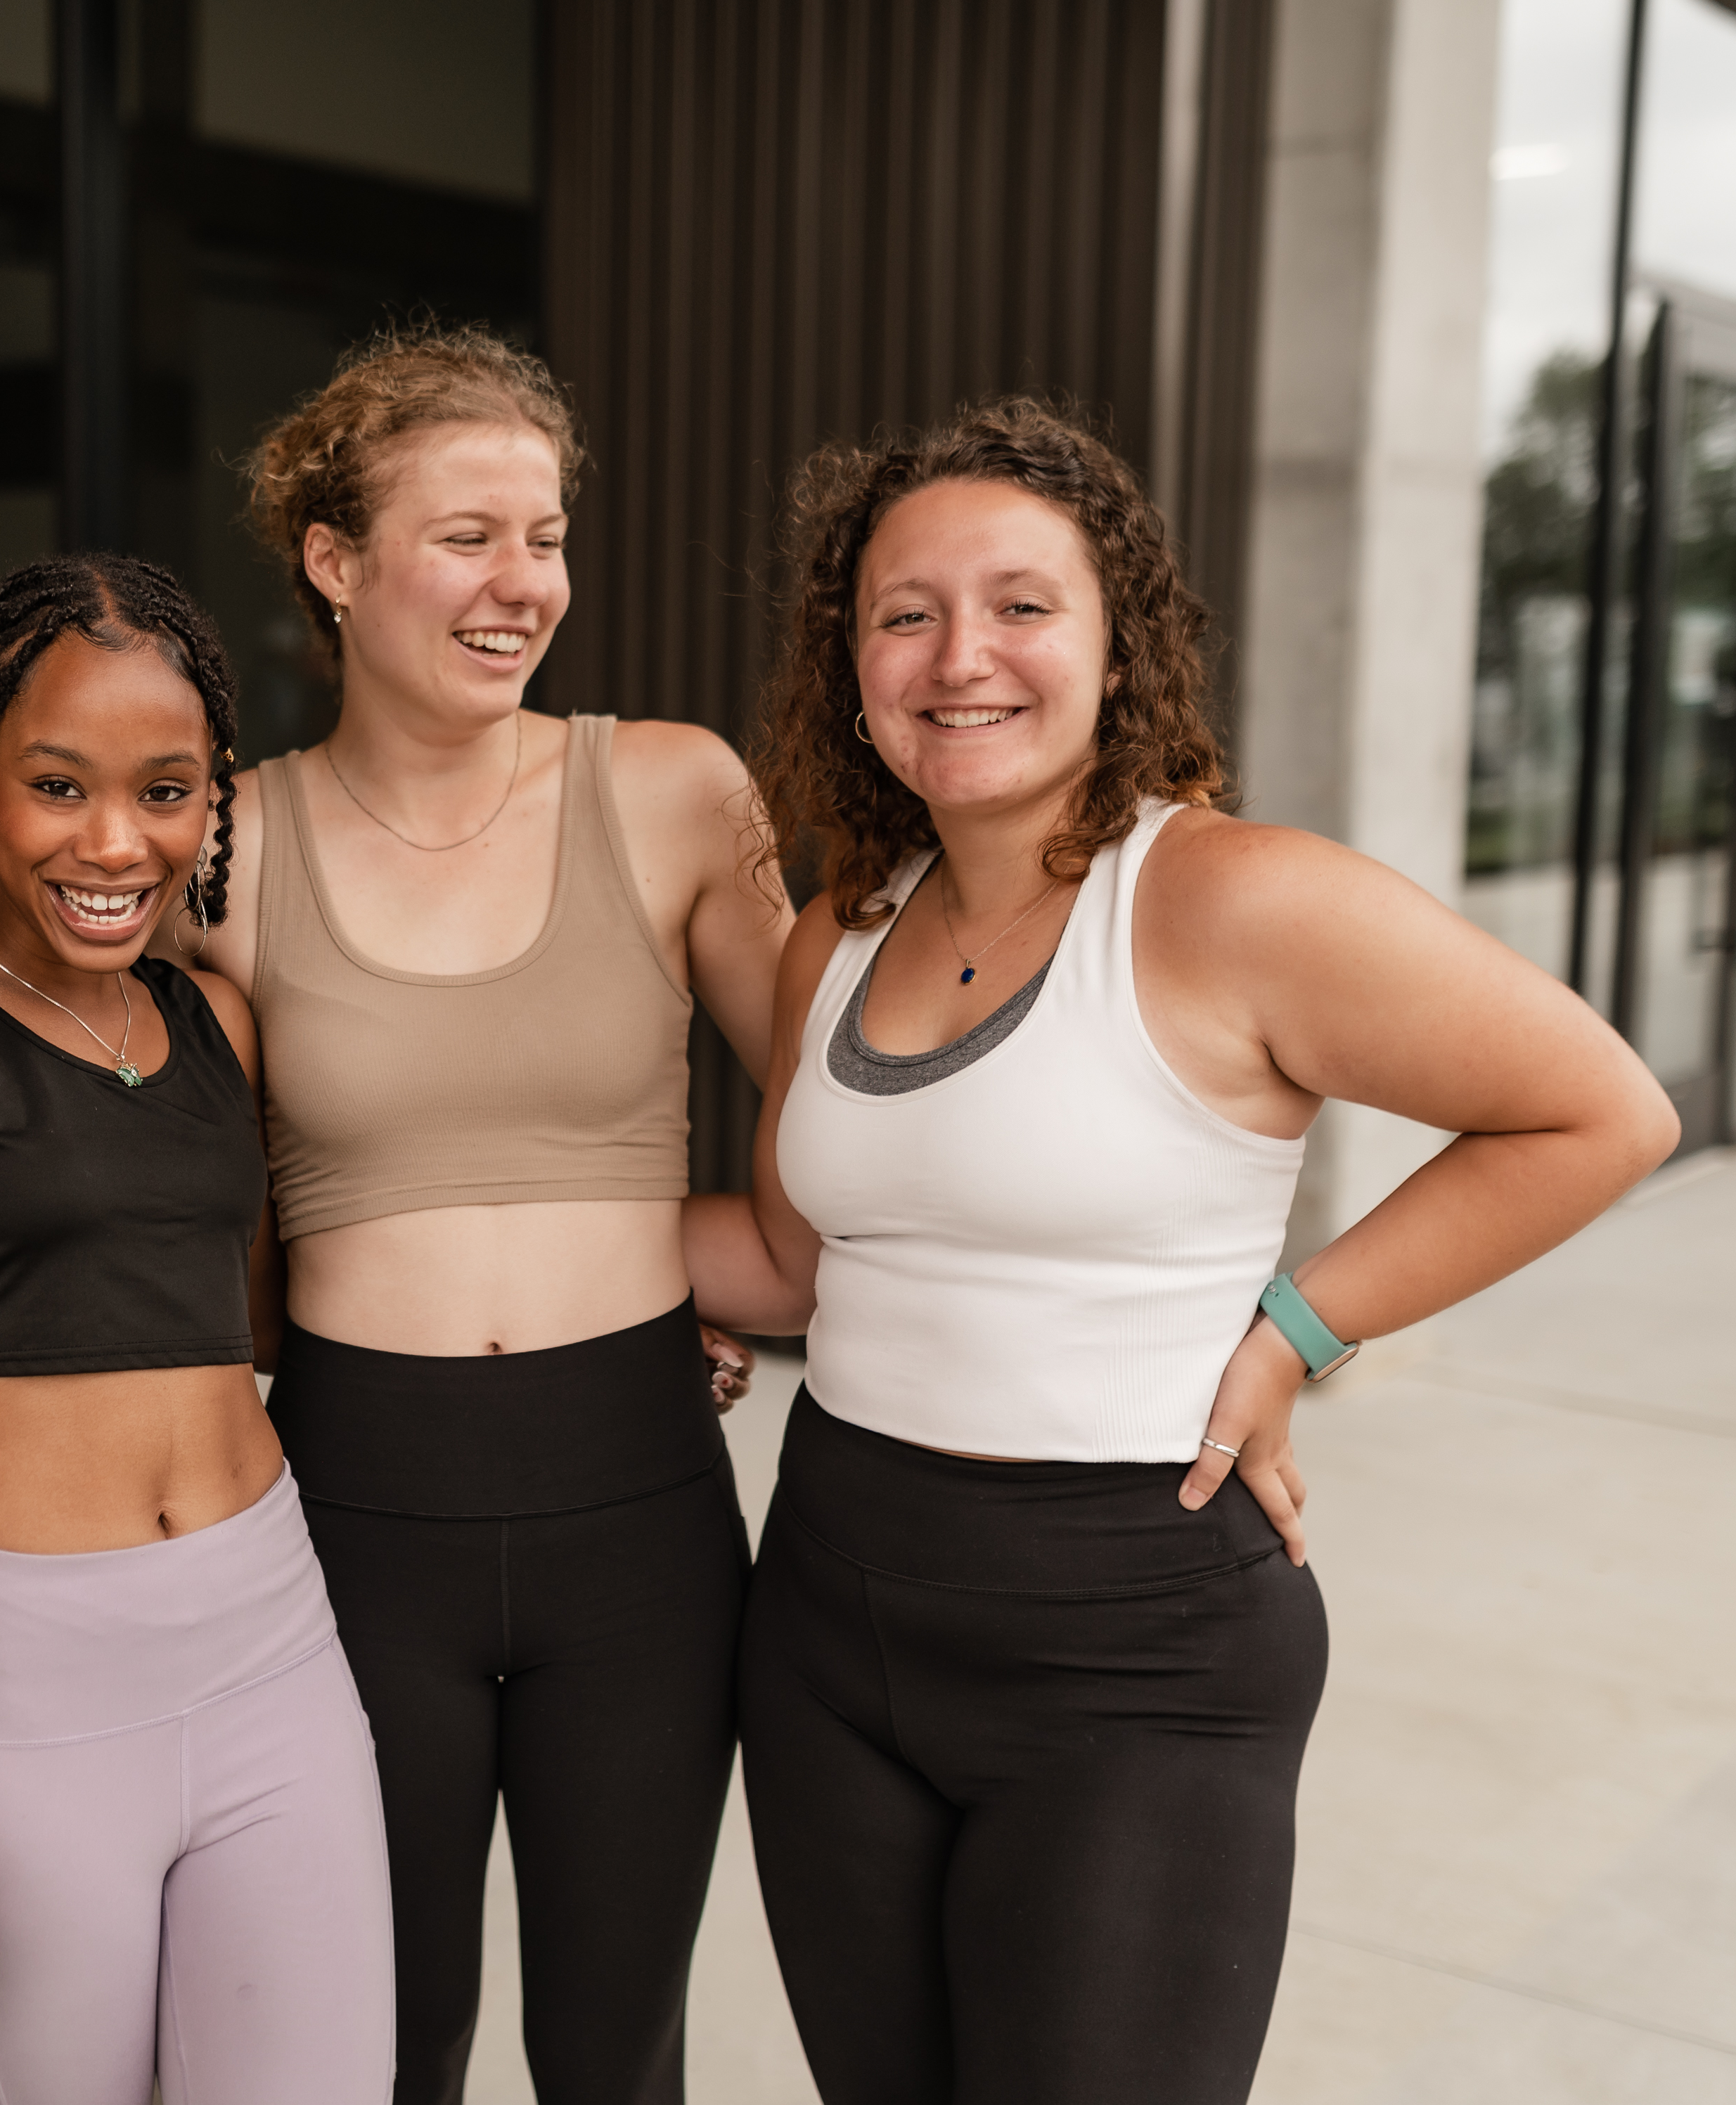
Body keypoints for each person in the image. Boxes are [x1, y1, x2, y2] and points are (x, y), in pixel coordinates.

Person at [686, 399, 1681, 2104]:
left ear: (1113, 639)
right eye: (903, 613)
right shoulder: (839, 931)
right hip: (833, 1613)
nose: (958, 656)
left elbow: (1600, 1111)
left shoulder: (1231, 900)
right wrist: (459, 1242)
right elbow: (792, 1266)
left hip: (1133, 1648)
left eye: (1020, 604)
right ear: (852, 664)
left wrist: (1301, 1329)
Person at [188, 323, 793, 2105]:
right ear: (333, 556)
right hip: (358, 1514)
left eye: (544, 536)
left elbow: (865, 1125)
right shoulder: (221, 846)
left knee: (618, 2052)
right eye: (469, 535)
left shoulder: (675, 790)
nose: (522, 582)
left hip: (642, 1515)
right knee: (385, 2050)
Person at [0, 553, 395, 2105]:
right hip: (29, 1690)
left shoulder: (210, 1022)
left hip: (275, 1647)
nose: (117, 842)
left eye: (165, 792)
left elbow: (254, 1326)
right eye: (58, 786)